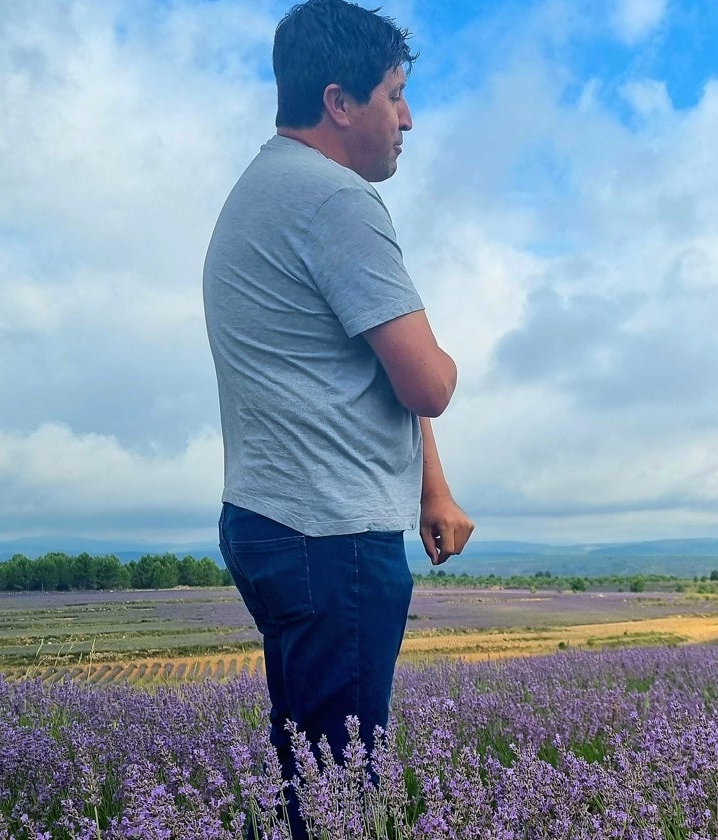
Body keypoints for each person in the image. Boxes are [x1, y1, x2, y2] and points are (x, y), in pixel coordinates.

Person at [202, 0, 473, 833]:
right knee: (344, 798)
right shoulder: (336, 203)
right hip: (333, 537)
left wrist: (433, 486)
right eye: (394, 94)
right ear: (339, 102)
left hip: (273, 522)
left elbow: (364, 372)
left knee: (306, 782)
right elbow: (426, 383)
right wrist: (450, 359)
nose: (408, 118)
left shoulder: (263, 188)